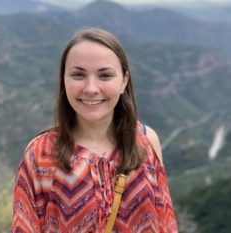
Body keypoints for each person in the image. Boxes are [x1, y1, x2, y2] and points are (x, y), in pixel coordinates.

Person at [13, 27, 178, 233]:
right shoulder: (40, 154)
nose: (91, 88)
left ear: (124, 81)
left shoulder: (145, 141)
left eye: (105, 75)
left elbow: (165, 224)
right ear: (64, 81)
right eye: (78, 75)